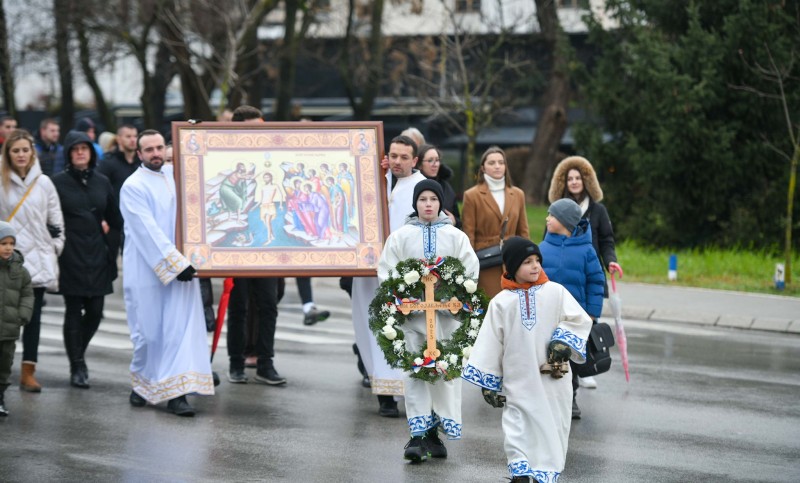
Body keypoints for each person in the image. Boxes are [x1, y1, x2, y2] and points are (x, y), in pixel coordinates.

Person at [462, 236, 592, 482]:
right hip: (518, 380)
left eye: (537, 261)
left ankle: (545, 472)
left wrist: (564, 340)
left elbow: (578, 320)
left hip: (552, 383)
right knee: (516, 425)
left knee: (552, 426)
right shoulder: (501, 303)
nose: (535, 266)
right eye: (527, 262)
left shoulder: (556, 292)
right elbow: (491, 342)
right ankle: (520, 470)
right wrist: (488, 382)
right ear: (511, 267)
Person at [377, 179, 479, 462]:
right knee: (416, 372)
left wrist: (453, 297)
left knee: (444, 372)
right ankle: (418, 434)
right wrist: (402, 295)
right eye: (423, 199)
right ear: (416, 203)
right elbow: (387, 270)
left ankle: (435, 433)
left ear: (441, 203)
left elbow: (469, 270)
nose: (428, 204)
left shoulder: (456, 237)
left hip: (447, 320)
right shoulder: (400, 237)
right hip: (413, 320)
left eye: (433, 199)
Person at [120, 129, 214, 416]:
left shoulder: (179, 178)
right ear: (139, 154)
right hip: (148, 271)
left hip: (182, 269)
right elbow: (147, 230)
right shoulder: (133, 186)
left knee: (180, 331)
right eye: (149, 150)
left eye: (160, 148)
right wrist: (175, 264)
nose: (156, 154)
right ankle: (143, 384)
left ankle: (178, 394)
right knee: (149, 334)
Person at [352, 134, 426, 417]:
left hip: (404, 274)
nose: (397, 161)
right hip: (368, 272)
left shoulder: (421, 188)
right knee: (372, 327)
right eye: (393, 156)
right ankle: (384, 392)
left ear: (414, 160)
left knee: (405, 331)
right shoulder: (374, 178)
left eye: (404, 157)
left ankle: (409, 391)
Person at [52, 130, 122, 389]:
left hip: (98, 255)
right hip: (70, 255)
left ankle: (77, 351)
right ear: (69, 154)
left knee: (95, 312)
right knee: (73, 309)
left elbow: (116, 221)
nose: (81, 152)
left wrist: (110, 249)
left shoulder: (102, 182)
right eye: (75, 148)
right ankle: (77, 365)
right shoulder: (56, 183)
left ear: (92, 152)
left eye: (85, 148)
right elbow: (48, 216)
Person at [548, 155, 623, 390]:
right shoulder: (557, 211)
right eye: (569, 178)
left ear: (586, 180)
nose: (574, 182)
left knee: (587, 324)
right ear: (563, 182)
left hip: (587, 272)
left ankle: (585, 367)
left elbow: (607, 240)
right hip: (561, 279)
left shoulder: (598, 210)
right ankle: (563, 372)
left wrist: (610, 261)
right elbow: (547, 241)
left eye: (578, 178)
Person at [0, 129, 65, 392]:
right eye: (16, 150)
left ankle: (28, 371)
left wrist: (54, 248)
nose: (21, 155)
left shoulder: (45, 183)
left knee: (33, 317)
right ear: (9, 154)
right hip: (7, 261)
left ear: (32, 152)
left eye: (25, 150)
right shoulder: (1, 180)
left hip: (36, 260)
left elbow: (56, 220)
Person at [225, 105, 286, 386]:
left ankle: (266, 363)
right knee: (238, 306)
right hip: (236, 244)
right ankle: (235, 363)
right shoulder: (225, 156)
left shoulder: (270, 156)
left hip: (267, 242)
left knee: (268, 305)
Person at [540, 198, 605, 419]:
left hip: (575, 317)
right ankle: (547, 399)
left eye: (552, 215)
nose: (547, 219)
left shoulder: (586, 250)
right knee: (547, 356)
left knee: (571, 359)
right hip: (547, 314)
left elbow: (596, 281)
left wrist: (592, 313)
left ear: (566, 221)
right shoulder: (542, 248)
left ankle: (572, 398)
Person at [462, 146, 529, 298]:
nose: (497, 166)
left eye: (501, 162)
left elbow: (523, 232)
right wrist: (470, 266)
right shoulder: (472, 195)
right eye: (492, 163)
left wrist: (528, 259)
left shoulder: (518, 194)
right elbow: (469, 234)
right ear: (483, 168)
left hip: (513, 259)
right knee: (489, 307)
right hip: (487, 262)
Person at [0, 221, 34, 417]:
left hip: (9, 328)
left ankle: (0, 397)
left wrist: (24, 313)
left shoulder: (20, 271)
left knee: (4, 364)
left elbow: (28, 294)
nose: (8, 248)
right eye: (3, 243)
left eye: (11, 244)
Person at [416, 144, 460, 228]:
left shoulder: (446, 186)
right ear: (420, 164)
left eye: (437, 160)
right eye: (430, 160)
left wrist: (454, 221)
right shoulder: (414, 185)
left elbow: (458, 217)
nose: (435, 164)